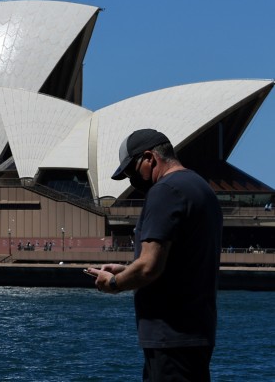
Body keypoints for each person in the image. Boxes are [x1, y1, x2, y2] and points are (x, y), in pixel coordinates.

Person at [86, 128, 222, 382]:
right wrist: (127, 269)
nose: (131, 180)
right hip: (197, 331)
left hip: (169, 335)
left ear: (149, 158)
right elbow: (178, 260)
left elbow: (149, 266)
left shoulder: (165, 191)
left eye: (130, 172)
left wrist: (114, 283)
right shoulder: (200, 188)